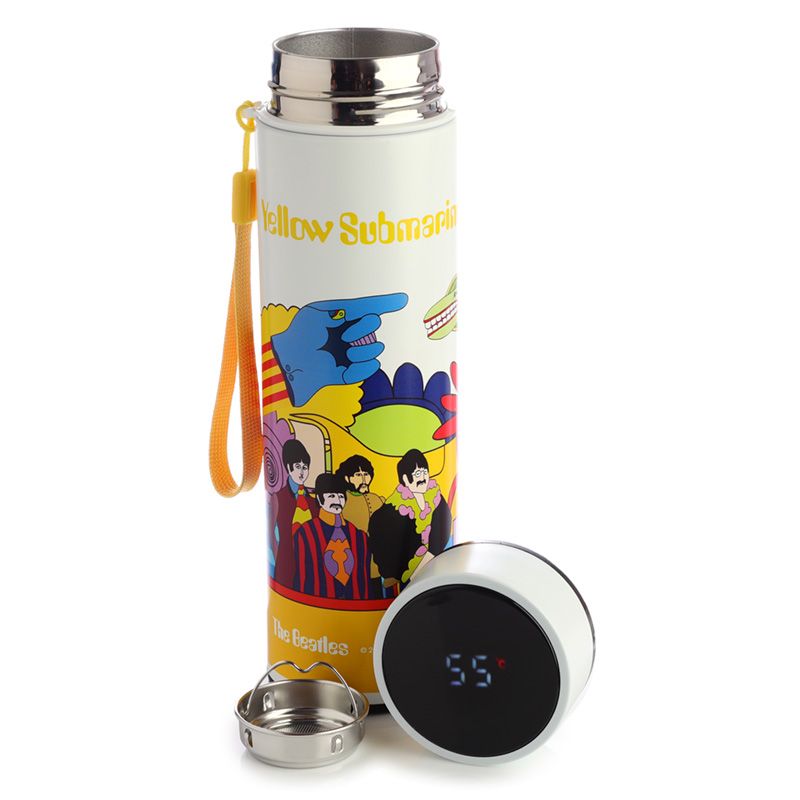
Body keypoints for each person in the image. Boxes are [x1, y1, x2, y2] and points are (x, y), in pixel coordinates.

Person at [369, 448, 452, 588]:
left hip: (435, 565)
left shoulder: (436, 496)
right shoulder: (394, 507)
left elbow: (444, 525)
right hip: (407, 575)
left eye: (425, 472)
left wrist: (431, 554)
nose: (422, 477)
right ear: (405, 479)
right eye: (417, 474)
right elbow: (383, 538)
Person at [292, 473, 377, 600]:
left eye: (341, 496)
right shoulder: (306, 533)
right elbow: (302, 578)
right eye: (331, 496)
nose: (337, 501)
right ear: (319, 499)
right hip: (317, 607)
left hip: (355, 606)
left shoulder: (359, 536)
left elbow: (364, 579)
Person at [272, 439, 318, 588]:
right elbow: (272, 534)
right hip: (287, 562)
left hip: (311, 563)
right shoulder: (279, 497)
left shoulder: (313, 501)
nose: (302, 472)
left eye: (305, 467)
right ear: (288, 467)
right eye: (297, 467)